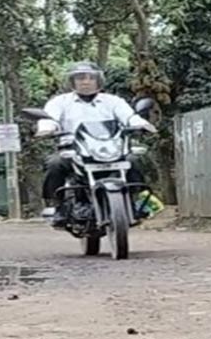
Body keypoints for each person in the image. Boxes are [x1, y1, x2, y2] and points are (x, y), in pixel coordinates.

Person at [36, 61, 157, 225]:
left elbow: (129, 116)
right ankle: (58, 206)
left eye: (91, 78)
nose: (86, 82)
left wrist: (142, 124)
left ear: (98, 80)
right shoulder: (59, 102)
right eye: (80, 78)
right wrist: (46, 128)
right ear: (72, 81)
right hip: (74, 151)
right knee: (55, 163)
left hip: (112, 149)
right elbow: (49, 119)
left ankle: (136, 200)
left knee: (134, 160)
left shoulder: (113, 101)